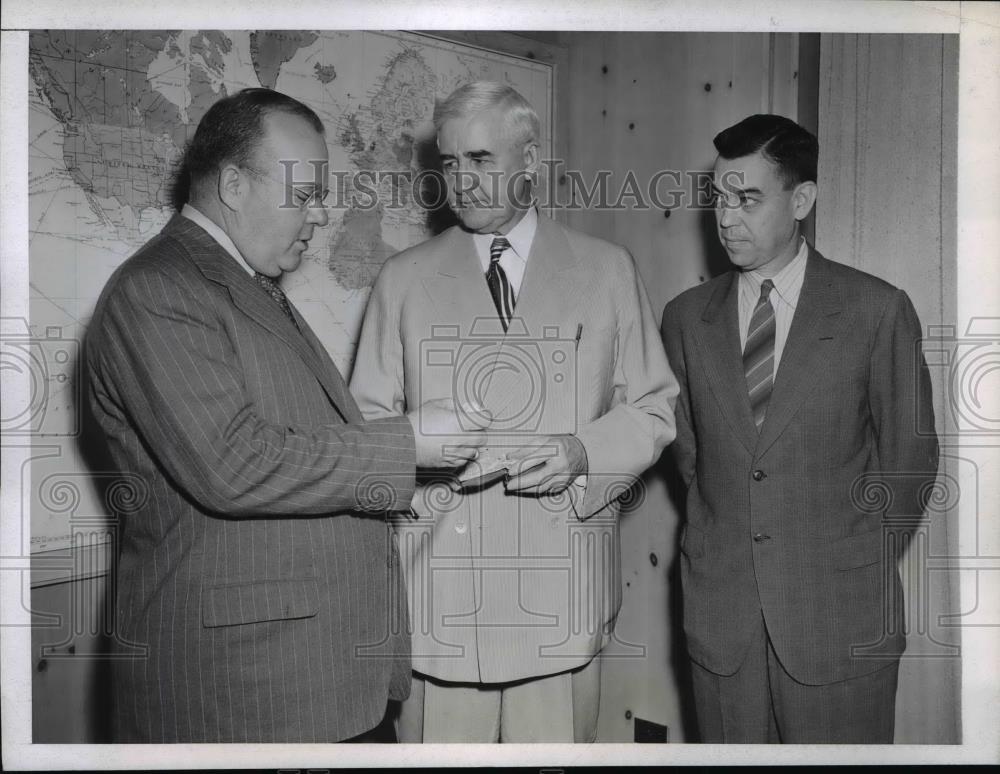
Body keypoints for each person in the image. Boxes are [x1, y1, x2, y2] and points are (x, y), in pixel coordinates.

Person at [85, 88, 485, 743]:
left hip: (311, 679)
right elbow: (231, 463)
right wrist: (407, 444)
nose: (321, 214)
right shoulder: (159, 289)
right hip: (246, 697)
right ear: (234, 185)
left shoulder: (242, 285)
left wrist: (411, 483)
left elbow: (296, 443)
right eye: (304, 193)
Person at [350, 81, 678, 743]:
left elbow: (653, 407)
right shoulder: (403, 279)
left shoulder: (608, 270)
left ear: (529, 159)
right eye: (449, 163)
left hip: (560, 601)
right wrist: (419, 474)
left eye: (482, 160)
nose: (462, 181)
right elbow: (365, 431)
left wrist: (581, 453)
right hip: (439, 602)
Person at [660, 114, 939, 743]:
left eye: (748, 199)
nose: (727, 217)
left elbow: (910, 463)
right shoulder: (683, 319)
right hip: (723, 620)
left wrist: (846, 565)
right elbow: (695, 464)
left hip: (838, 622)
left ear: (802, 200)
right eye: (719, 199)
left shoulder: (876, 309)